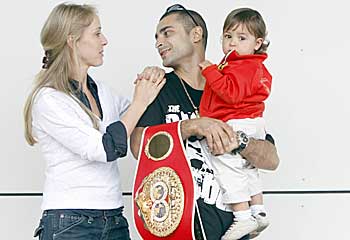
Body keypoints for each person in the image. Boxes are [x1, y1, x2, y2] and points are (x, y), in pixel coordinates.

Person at [130, 4, 279, 240]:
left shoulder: (233, 84)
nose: (158, 42)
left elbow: (271, 159)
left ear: (196, 34)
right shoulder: (158, 87)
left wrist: (237, 141)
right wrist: (193, 126)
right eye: (156, 37)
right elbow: (139, 147)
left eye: (167, 33)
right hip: (179, 232)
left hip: (234, 231)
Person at [23, 3, 165, 240]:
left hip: (114, 218)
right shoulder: (49, 99)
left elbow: (141, 117)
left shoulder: (101, 91)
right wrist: (140, 101)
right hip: (70, 224)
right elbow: (106, 148)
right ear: (72, 40)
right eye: (97, 33)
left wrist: (153, 77)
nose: (105, 40)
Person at [198, 8, 272, 240]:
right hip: (251, 121)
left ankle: (242, 218)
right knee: (248, 168)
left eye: (242, 38)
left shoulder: (242, 65)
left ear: (257, 43)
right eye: (228, 37)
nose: (232, 44)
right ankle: (258, 210)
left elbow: (230, 93)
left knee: (226, 165)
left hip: (237, 122)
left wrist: (210, 71)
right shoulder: (255, 66)